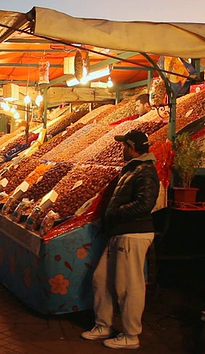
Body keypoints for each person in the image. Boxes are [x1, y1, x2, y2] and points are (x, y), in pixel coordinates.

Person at [81, 130, 159, 350]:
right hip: (119, 233)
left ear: (132, 147)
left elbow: (145, 203)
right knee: (101, 279)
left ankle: (130, 334)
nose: (122, 149)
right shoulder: (133, 169)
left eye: (124, 145)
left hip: (132, 234)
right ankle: (102, 326)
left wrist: (115, 213)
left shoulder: (146, 171)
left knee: (128, 286)